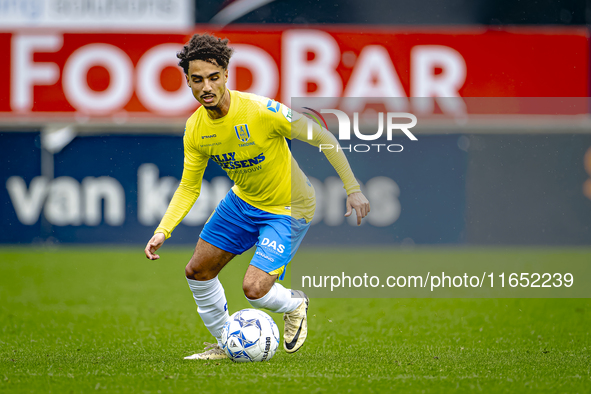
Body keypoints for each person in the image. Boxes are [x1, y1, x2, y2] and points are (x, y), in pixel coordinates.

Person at [144, 33, 370, 360]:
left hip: (290, 208)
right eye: (197, 80)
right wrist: (163, 229)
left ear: (225, 75)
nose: (206, 87)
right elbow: (189, 186)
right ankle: (227, 343)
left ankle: (295, 304)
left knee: (254, 289)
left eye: (213, 78)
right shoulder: (195, 129)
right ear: (187, 82)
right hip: (243, 202)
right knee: (197, 272)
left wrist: (353, 189)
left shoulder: (260, 111)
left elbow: (321, 135)